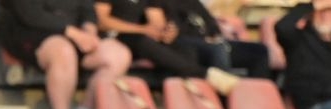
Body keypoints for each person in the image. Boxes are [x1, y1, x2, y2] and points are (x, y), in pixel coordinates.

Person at [0, 0, 132, 109]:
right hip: (32, 35)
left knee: (118, 55)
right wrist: (73, 33)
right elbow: (31, 15)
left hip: (76, 36)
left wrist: (89, 31)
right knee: (63, 52)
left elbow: (88, 9)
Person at [94, 0, 239, 94]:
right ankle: (206, 75)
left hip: (143, 40)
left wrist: (167, 31)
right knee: (140, 40)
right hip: (117, 38)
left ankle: (189, 105)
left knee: (185, 49)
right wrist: (142, 29)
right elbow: (101, 21)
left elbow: (156, 22)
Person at [162, 0, 272, 79]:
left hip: (213, 42)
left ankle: (257, 96)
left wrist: (215, 35)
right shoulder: (166, 4)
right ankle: (223, 98)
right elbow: (172, 32)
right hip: (190, 45)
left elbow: (212, 25)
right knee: (217, 49)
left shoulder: (194, 3)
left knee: (260, 51)